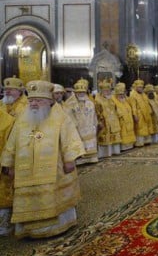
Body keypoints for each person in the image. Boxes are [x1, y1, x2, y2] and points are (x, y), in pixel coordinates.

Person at [0, 80, 85, 239]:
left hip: (55, 169)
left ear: (48, 101)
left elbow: (70, 138)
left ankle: (55, 227)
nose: (33, 104)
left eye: (38, 100)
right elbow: (11, 143)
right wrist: (8, 163)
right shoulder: (22, 118)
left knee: (53, 197)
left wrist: (70, 159)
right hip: (25, 170)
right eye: (31, 100)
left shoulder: (60, 117)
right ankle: (29, 230)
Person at [63, 79, 99, 165]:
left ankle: (91, 159)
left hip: (90, 127)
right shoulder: (69, 104)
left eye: (83, 92)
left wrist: (95, 124)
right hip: (78, 128)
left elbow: (94, 115)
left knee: (90, 143)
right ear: (75, 93)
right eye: (79, 92)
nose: (81, 94)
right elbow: (69, 116)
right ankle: (80, 160)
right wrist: (75, 127)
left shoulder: (90, 103)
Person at [95, 80, 122, 157]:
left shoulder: (111, 99)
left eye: (109, 90)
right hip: (105, 122)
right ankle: (105, 153)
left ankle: (114, 151)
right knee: (105, 138)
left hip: (114, 121)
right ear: (102, 91)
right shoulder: (98, 100)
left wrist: (119, 115)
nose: (107, 92)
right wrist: (99, 122)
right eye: (105, 91)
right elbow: (97, 112)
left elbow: (115, 108)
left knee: (114, 137)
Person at [0, 106, 15, 236]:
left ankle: (4, 226)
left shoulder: (8, 121)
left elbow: (11, 146)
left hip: (2, 167)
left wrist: (7, 164)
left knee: (4, 195)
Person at [112, 82, 136, 151]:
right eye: (120, 94)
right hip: (121, 120)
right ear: (116, 94)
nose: (122, 96)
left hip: (129, 119)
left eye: (123, 94)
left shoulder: (125, 100)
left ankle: (130, 145)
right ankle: (123, 147)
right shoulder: (113, 100)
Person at [128, 79, 153, 147]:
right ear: (136, 87)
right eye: (139, 87)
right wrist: (135, 115)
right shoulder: (133, 95)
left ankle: (146, 140)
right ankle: (139, 142)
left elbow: (147, 103)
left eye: (142, 87)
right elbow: (133, 106)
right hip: (139, 114)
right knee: (140, 128)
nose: (141, 88)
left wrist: (150, 111)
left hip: (146, 113)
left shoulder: (143, 94)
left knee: (146, 127)